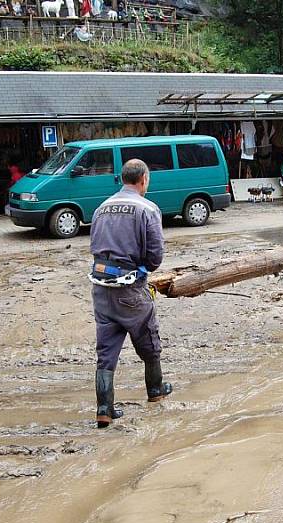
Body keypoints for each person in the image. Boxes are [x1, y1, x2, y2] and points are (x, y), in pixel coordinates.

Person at [88, 159, 172, 428]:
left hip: (100, 287)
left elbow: (94, 245)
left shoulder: (101, 208)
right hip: (130, 287)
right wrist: (145, 269)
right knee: (148, 339)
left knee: (106, 350)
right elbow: (156, 255)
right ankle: (156, 390)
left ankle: (104, 408)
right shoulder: (147, 209)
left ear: (123, 178)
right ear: (144, 179)